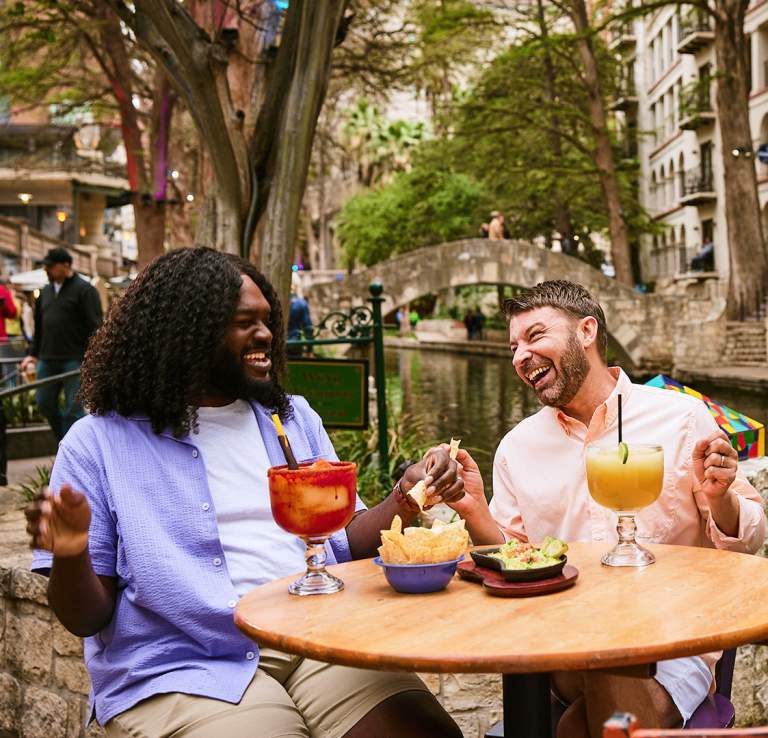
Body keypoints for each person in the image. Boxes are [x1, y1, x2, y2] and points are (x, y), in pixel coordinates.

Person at [25, 247, 464, 738]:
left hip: (317, 638)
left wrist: (405, 495)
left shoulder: (293, 418)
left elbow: (344, 540)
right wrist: (70, 551)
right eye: (244, 322)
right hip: (182, 665)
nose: (266, 334)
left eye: (267, 320)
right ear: (186, 333)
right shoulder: (98, 442)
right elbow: (85, 617)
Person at [444, 280, 766, 738]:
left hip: (676, 641)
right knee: (596, 645)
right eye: (513, 346)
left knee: (581, 725)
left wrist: (720, 496)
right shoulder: (518, 447)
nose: (519, 356)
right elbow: (513, 562)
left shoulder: (680, 418)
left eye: (535, 337)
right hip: (563, 647)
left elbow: (749, 540)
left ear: (587, 331)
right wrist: (474, 509)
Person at [20, 247, 102, 441]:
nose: (47, 270)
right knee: (44, 403)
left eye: (50, 266)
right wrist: (32, 353)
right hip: (47, 359)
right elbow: (39, 327)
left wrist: (93, 357)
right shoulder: (46, 292)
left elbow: (95, 325)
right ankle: (65, 442)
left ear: (66, 266)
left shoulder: (85, 290)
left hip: (74, 359)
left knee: (72, 410)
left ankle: (74, 449)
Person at [287, 292, 313, 358]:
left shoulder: (276, 299)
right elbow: (308, 328)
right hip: (294, 343)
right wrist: (309, 350)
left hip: (277, 344)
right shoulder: (301, 303)